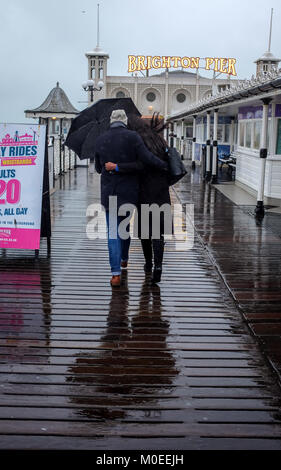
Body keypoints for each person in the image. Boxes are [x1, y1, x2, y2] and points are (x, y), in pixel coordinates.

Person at [95, 109, 167, 287]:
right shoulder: (133, 137)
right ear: (125, 121)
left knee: (113, 233)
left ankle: (115, 274)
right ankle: (124, 259)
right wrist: (165, 165)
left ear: (111, 121)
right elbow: (144, 161)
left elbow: (98, 168)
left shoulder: (100, 139)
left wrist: (113, 167)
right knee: (124, 228)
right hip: (129, 192)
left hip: (109, 192)